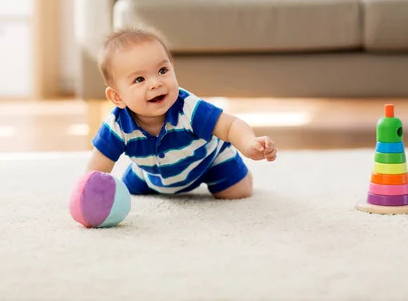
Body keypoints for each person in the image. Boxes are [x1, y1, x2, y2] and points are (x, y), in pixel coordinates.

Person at [84, 26, 277, 200]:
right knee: (128, 190)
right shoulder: (116, 125)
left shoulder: (188, 108)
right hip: (152, 174)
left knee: (237, 193)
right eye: (140, 79)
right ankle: (141, 172)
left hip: (207, 162)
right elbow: (97, 167)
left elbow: (230, 125)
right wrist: (89, 194)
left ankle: (236, 169)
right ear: (117, 97)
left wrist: (247, 143)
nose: (156, 83)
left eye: (162, 70)